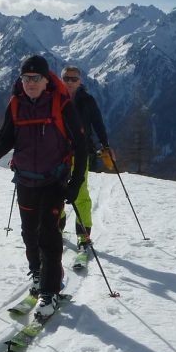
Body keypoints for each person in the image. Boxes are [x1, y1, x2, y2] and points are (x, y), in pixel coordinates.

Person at [0, 55, 88, 318]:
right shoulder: (16, 105)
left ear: (45, 79)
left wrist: (76, 181)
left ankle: (49, 292)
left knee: (48, 235)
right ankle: (38, 275)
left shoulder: (61, 104)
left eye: (35, 78)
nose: (30, 83)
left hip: (54, 179)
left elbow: (81, 145)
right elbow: (6, 140)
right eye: (25, 78)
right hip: (25, 179)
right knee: (29, 233)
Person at [57, 65, 110, 251]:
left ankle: (83, 235)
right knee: (56, 192)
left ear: (80, 81)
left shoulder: (87, 101)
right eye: (67, 78)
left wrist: (105, 144)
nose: (70, 82)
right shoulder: (54, 98)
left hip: (80, 153)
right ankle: (58, 229)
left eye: (74, 79)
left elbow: (98, 123)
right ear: (61, 79)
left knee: (80, 193)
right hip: (57, 152)